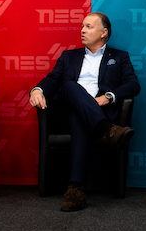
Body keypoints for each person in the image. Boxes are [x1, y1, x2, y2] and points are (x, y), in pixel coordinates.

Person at [29, 12, 140, 212]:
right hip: (67, 108)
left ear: (104, 33)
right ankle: (110, 131)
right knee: (71, 86)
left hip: (96, 112)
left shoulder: (119, 57)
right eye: (82, 26)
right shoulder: (69, 56)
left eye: (89, 27)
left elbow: (133, 85)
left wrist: (108, 96)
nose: (82, 30)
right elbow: (53, 80)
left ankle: (75, 189)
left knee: (78, 117)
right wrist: (37, 89)